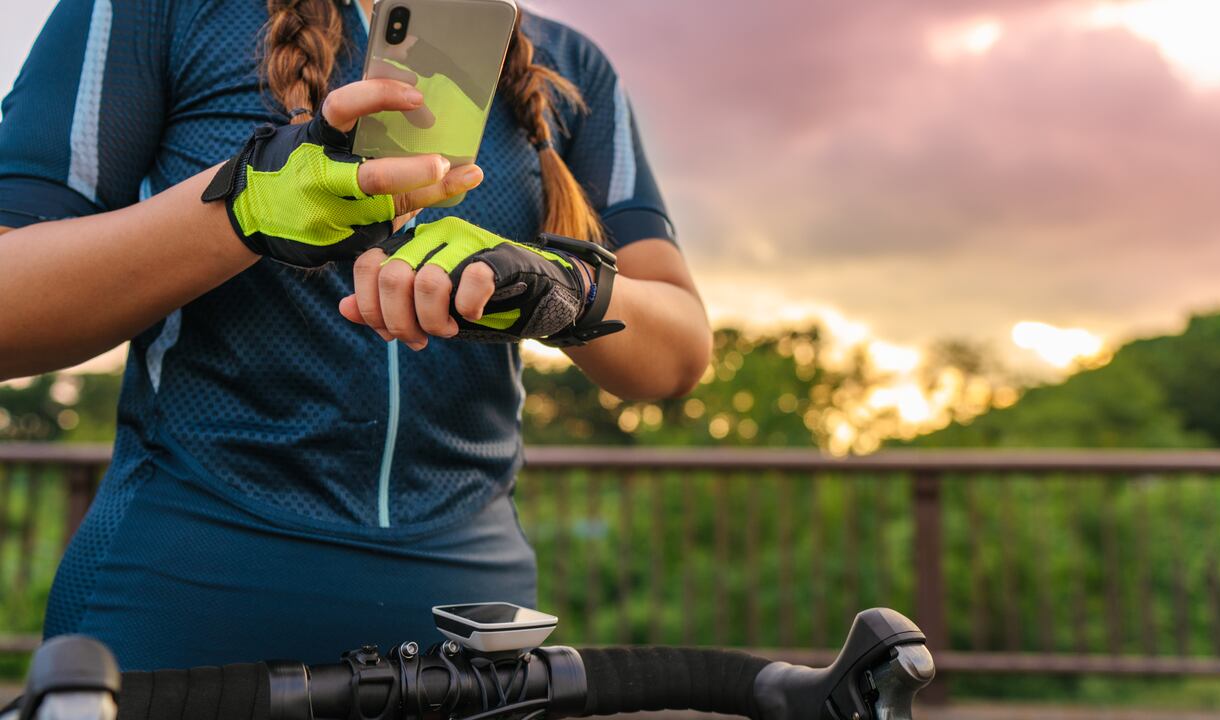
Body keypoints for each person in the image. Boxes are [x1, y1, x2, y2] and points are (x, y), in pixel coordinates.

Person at [0, 0, 711, 670]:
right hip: (180, 601)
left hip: (472, 633)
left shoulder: (570, 67)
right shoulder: (163, 11)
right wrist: (243, 206)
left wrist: (562, 289)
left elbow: (677, 355)